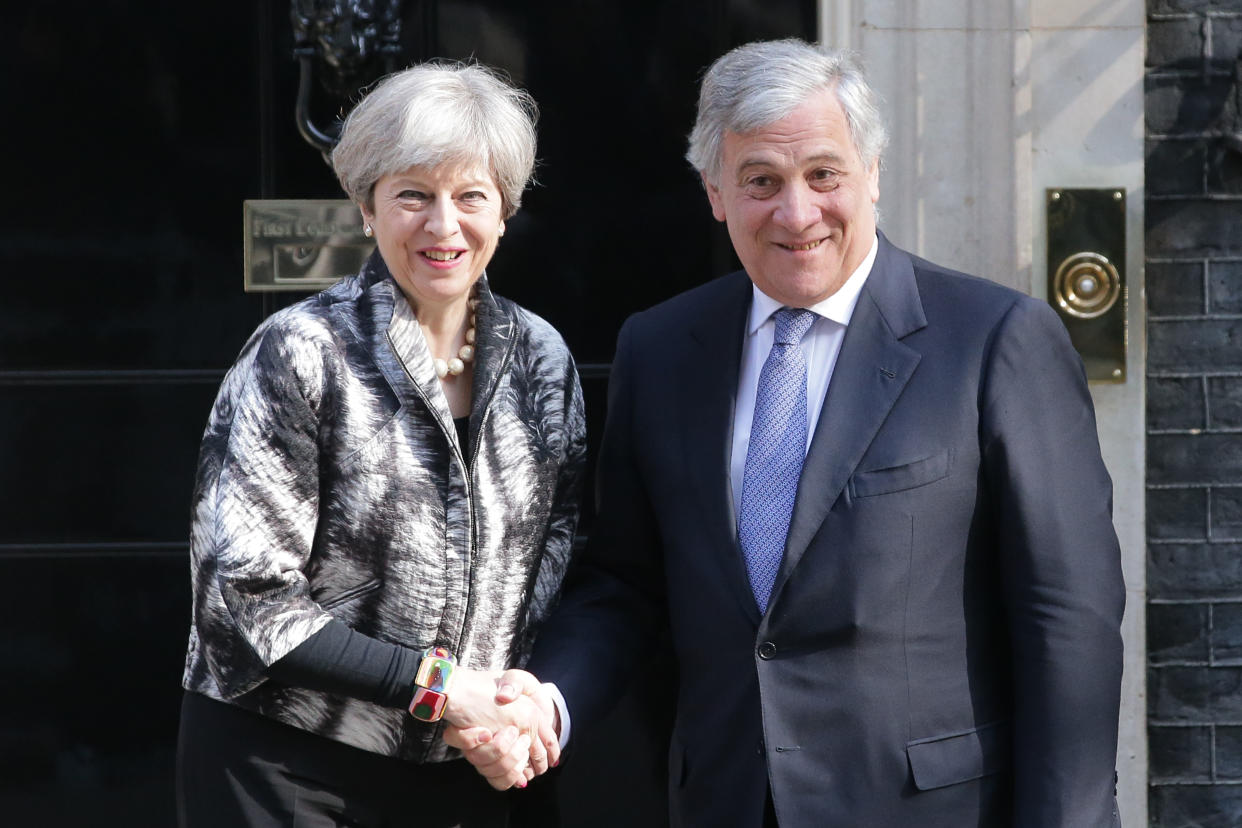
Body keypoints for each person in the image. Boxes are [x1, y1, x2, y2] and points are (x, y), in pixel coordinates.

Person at [450, 39, 1125, 827]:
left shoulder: (994, 340)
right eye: (761, 180)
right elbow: (626, 585)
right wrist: (548, 703)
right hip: (725, 800)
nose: (796, 212)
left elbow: (1067, 620)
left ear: (872, 174)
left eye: (824, 175)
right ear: (714, 192)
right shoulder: (661, 348)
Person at [176, 61, 583, 827]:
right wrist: (437, 689)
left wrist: (515, 708)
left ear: (504, 210)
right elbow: (245, 598)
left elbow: (557, 564)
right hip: (288, 766)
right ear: (367, 207)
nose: (443, 225)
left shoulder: (543, 362)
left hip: (472, 769)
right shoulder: (300, 353)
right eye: (412, 196)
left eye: (470, 196)